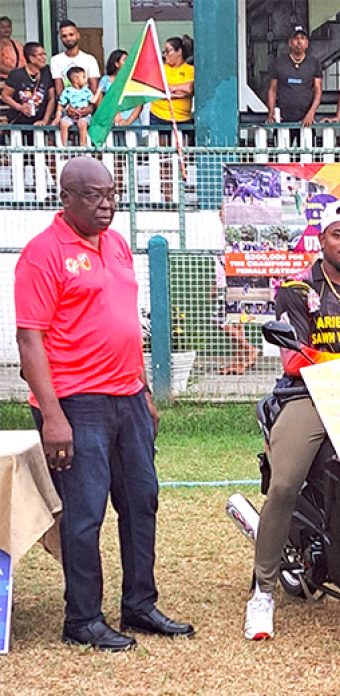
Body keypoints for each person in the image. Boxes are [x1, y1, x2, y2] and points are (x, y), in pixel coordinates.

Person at [14, 157, 194, 651]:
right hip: (75, 402)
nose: (106, 203)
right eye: (93, 195)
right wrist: (52, 416)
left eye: (111, 193)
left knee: (141, 502)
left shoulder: (116, 245)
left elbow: (124, 322)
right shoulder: (41, 254)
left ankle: (139, 605)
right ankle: (83, 618)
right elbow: (30, 340)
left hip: (128, 397)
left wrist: (143, 390)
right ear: (65, 198)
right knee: (84, 512)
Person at [245, 200, 340, 640]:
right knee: (285, 484)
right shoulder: (296, 290)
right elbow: (294, 359)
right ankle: (264, 591)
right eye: (338, 235)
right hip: (307, 396)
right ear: (322, 239)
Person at [266, 25, 322, 128]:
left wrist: (311, 113)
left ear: (307, 43)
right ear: (290, 43)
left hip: (306, 119)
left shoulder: (314, 63)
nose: (299, 41)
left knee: (307, 144)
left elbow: (318, 91)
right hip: (283, 119)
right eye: (296, 38)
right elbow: (272, 90)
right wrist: (271, 112)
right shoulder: (279, 62)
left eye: (302, 38)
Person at [1, 42, 55, 128]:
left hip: (40, 122)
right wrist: (20, 107)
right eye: (40, 55)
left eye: (45, 54)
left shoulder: (47, 72)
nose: (44, 58)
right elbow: (5, 96)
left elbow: (51, 98)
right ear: (31, 58)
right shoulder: (16, 74)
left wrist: (45, 120)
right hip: (18, 122)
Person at [150, 36, 194, 126]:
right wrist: (180, 91)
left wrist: (170, 88)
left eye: (168, 51)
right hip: (159, 115)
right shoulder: (160, 69)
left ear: (179, 52)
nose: (165, 54)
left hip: (182, 118)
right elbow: (156, 89)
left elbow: (189, 88)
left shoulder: (190, 69)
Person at [50, 20, 100, 97]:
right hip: (66, 105)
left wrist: (89, 107)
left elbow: (94, 88)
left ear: (78, 35)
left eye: (71, 34)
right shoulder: (55, 60)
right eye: (64, 36)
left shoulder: (90, 59)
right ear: (60, 38)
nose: (68, 38)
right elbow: (59, 89)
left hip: (87, 102)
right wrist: (67, 106)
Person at [95, 49, 142, 128]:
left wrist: (129, 120)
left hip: (133, 122)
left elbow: (139, 102)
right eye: (125, 60)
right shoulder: (106, 80)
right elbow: (100, 102)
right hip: (111, 123)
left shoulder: (134, 80)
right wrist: (110, 118)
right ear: (116, 64)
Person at [52, 66, 93, 145]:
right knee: (63, 123)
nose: (86, 80)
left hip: (84, 116)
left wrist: (88, 109)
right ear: (75, 79)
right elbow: (61, 103)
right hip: (70, 115)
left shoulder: (87, 91)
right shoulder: (67, 91)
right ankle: (63, 147)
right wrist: (58, 116)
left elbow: (92, 102)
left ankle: (83, 146)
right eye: (83, 77)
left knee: (82, 123)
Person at [0, 16, 25, 122]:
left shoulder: (18, 45)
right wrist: (14, 73)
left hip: (17, 84)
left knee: (15, 112)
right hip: (2, 83)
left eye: (8, 26)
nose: (6, 29)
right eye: (2, 27)